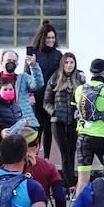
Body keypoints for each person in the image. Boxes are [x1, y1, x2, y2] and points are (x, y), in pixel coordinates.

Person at [73, 59, 104, 190]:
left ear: (90, 71)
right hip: (102, 137)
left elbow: (74, 112)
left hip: (82, 137)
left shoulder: (79, 90)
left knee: (83, 178)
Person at [44, 52, 85, 184]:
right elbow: (46, 101)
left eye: (71, 62)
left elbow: (85, 98)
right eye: (66, 62)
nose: (69, 65)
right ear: (62, 64)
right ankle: (69, 184)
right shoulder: (55, 77)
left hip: (74, 121)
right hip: (58, 121)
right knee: (64, 151)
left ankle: (72, 181)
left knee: (73, 150)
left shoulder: (79, 77)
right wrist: (53, 112)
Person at [29, 23, 63, 158]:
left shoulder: (58, 55)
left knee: (49, 130)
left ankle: (47, 158)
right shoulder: (35, 54)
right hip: (37, 97)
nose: (51, 40)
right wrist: (30, 94)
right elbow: (27, 74)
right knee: (36, 130)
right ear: (42, 38)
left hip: (52, 98)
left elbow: (63, 73)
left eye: (53, 38)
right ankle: (33, 157)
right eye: (48, 38)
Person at [0, 73, 30, 166]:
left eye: (10, 89)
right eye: (5, 89)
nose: (8, 91)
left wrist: (23, 124)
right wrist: (0, 132)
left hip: (14, 150)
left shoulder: (16, 107)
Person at [0, 48, 44, 132]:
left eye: (14, 61)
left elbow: (38, 84)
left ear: (17, 64)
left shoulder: (23, 78)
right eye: (8, 60)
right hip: (4, 124)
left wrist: (34, 66)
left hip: (25, 123)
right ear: (1, 62)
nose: (11, 63)